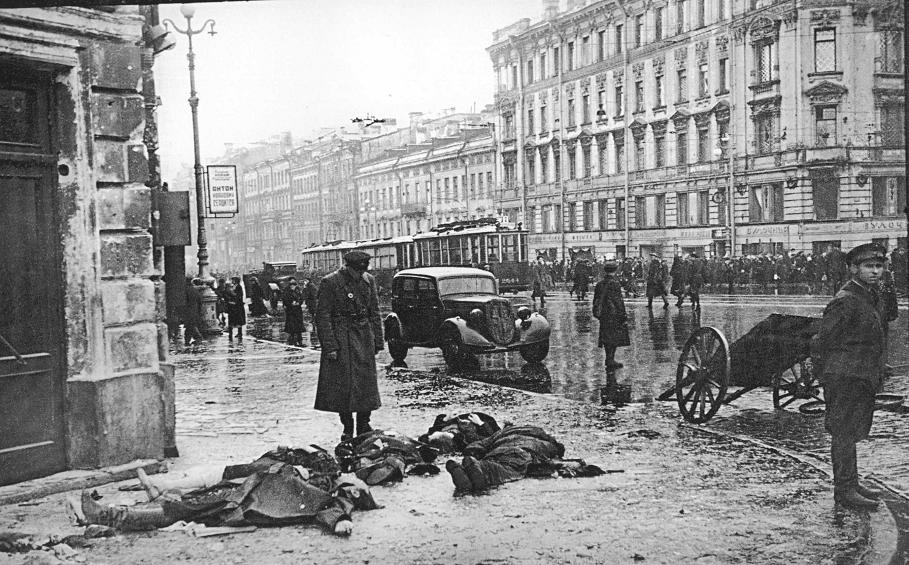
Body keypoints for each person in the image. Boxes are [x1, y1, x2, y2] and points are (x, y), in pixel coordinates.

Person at [77, 445, 376, 536]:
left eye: (357, 487)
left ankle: (110, 516)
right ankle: (110, 516)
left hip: (250, 505)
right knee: (192, 502)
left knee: (187, 509)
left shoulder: (335, 493)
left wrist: (340, 521)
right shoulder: (324, 478)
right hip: (247, 492)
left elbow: (336, 509)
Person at [810, 243, 886, 510]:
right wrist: (826, 375)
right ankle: (844, 491)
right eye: (869, 266)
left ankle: (852, 483)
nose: (875, 271)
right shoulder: (845, 299)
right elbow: (823, 341)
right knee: (843, 432)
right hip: (844, 376)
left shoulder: (867, 295)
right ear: (854, 269)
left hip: (860, 374)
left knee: (852, 430)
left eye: (879, 266)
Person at [314, 250, 384, 442]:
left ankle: (364, 423)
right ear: (348, 267)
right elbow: (323, 316)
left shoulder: (369, 280)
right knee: (342, 385)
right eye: (357, 271)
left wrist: (378, 340)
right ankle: (347, 426)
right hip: (341, 338)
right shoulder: (330, 282)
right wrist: (330, 346)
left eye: (363, 271)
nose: (360, 275)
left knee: (366, 384)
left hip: (364, 336)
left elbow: (374, 311)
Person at [444, 424, 604, 494]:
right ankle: (483, 472)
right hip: (526, 452)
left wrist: (474, 452)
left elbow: (475, 446)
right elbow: (558, 448)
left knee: (495, 463)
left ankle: (474, 469)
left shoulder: (499, 435)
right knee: (507, 469)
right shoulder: (540, 435)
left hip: (499, 451)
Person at [592, 261, 630, 370]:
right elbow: (618, 301)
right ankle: (610, 359)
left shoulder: (600, 284)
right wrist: (623, 315)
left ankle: (609, 359)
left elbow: (595, 300)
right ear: (615, 271)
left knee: (606, 336)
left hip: (603, 315)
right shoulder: (615, 283)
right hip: (613, 314)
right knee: (613, 337)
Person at [283, 278, 306, 346]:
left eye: (294, 285)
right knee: (291, 325)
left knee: (299, 324)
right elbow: (285, 299)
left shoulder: (298, 291)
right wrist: (290, 303)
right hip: (291, 310)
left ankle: (299, 337)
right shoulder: (287, 291)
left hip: (298, 310)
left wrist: (299, 303)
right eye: (291, 285)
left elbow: (301, 298)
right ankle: (292, 337)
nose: (293, 287)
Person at [183, 277, 204, 346]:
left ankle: (198, 338)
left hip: (187, 311)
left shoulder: (185, 290)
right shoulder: (195, 290)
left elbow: (183, 302)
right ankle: (188, 340)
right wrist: (199, 311)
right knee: (190, 326)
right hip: (195, 310)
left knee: (190, 326)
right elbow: (200, 301)